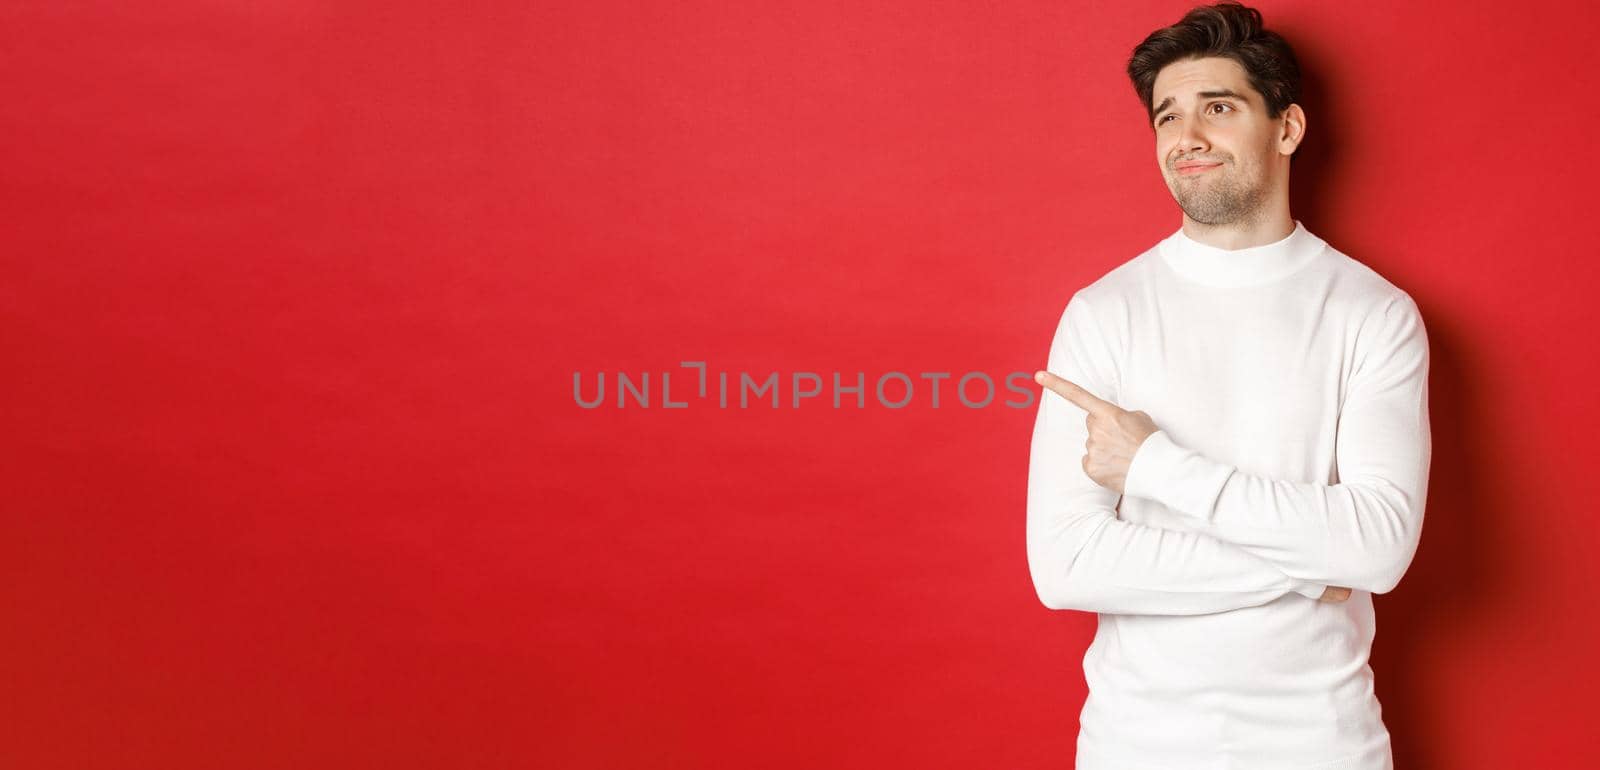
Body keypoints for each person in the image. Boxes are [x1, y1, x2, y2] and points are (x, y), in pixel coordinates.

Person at [1024, 3, 1432, 769]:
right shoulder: (1103, 313)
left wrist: (1154, 469)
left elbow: (1377, 548)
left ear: (1287, 128)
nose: (1188, 138)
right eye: (1166, 116)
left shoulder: (1374, 314)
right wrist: (1310, 565)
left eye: (1219, 106)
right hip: (1134, 748)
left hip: (1324, 747)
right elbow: (1066, 565)